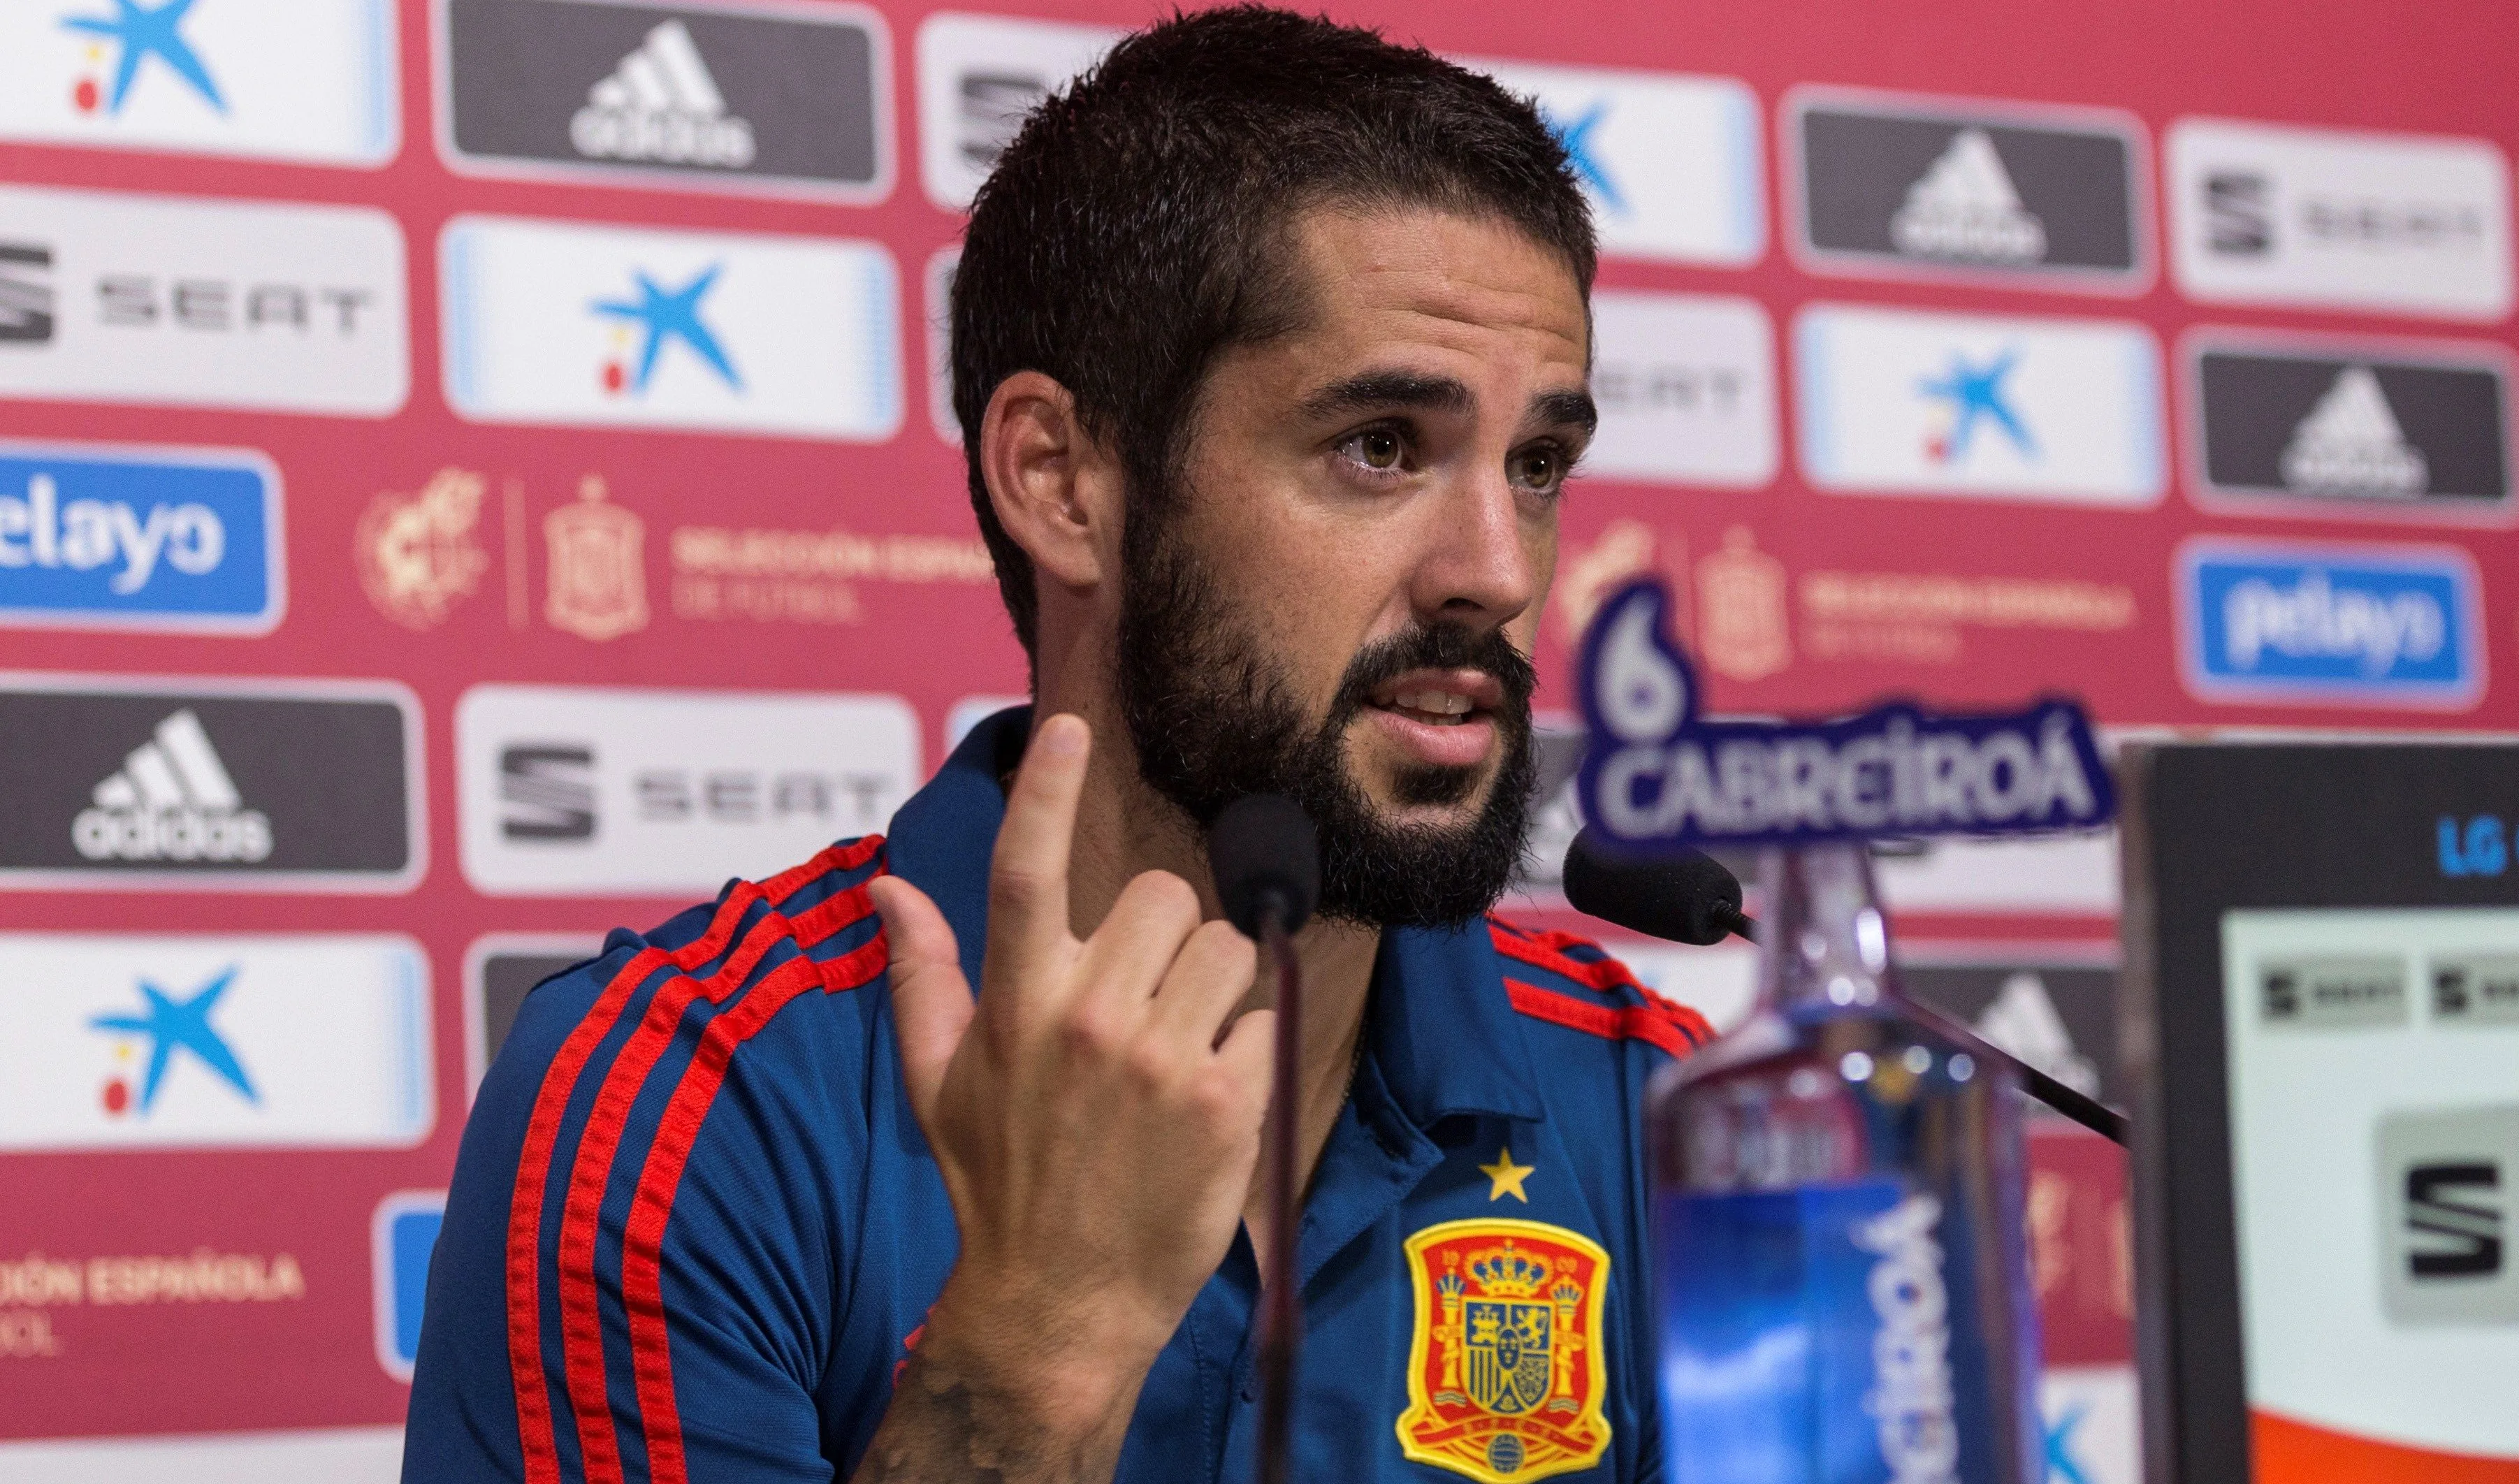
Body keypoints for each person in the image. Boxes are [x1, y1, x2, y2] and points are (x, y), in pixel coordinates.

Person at [402, 8, 1711, 1482]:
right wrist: (1041, 1338)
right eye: (1381, 447)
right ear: (1061, 479)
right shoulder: (686, 1096)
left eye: (1536, 464)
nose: (1499, 570)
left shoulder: (1659, 1107)